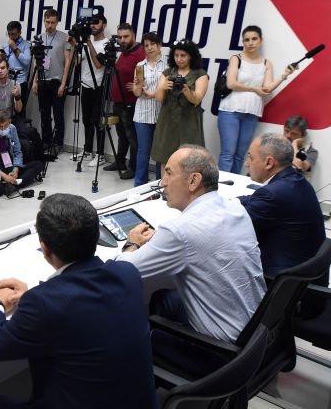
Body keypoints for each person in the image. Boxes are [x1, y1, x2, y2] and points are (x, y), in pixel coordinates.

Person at [0, 193, 157, 409]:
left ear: (45, 248)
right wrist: (40, 294)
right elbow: (78, 300)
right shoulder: (127, 274)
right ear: (96, 237)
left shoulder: (44, 304)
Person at [115, 145, 265, 375]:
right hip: (252, 337)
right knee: (163, 298)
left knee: (123, 335)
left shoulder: (180, 231)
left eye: (169, 173)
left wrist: (132, 243)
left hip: (219, 353)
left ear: (193, 181)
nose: (163, 182)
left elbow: (119, 272)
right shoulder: (234, 207)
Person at [239, 134, 326, 277]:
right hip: (301, 276)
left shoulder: (273, 194)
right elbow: (252, 199)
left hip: (280, 282)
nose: (246, 164)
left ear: (269, 162)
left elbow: (231, 225)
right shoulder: (296, 181)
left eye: (250, 157)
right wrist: (232, 201)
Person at [217, 26, 295, 174]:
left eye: (254, 39)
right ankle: (220, 189)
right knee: (228, 154)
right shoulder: (236, 59)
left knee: (241, 154)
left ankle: (232, 188)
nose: (250, 43)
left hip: (252, 113)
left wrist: (284, 75)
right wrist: (253, 89)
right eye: (246, 40)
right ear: (243, 42)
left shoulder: (266, 63)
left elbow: (267, 88)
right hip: (230, 111)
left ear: (261, 40)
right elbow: (231, 83)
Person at [151, 39, 209, 171]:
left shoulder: (200, 74)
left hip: (189, 123)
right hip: (168, 121)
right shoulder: (168, 72)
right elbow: (159, 98)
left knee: (190, 162)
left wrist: (186, 90)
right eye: (176, 55)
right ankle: (165, 189)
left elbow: (197, 99)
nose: (179, 59)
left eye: (183, 55)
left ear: (191, 56)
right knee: (165, 159)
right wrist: (162, 87)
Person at [103, 23, 145, 179]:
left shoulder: (140, 53)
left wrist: (137, 84)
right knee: (121, 133)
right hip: (118, 100)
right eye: (120, 37)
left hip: (131, 102)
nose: (122, 40)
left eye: (126, 36)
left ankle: (134, 167)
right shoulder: (123, 52)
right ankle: (120, 161)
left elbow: (145, 75)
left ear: (133, 35)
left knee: (132, 136)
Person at [30, 9, 72, 148]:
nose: (50, 25)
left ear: (57, 22)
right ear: (44, 21)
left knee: (58, 113)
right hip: (43, 80)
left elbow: (68, 62)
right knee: (44, 113)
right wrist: (35, 81)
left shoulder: (64, 38)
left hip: (57, 81)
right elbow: (37, 61)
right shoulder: (39, 38)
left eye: (53, 22)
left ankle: (58, 142)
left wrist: (63, 84)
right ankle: (46, 140)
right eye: (47, 22)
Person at [131, 31, 165, 186]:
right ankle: (139, 184)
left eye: (153, 44)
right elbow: (138, 93)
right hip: (143, 113)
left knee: (160, 152)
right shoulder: (140, 66)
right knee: (143, 151)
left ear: (159, 46)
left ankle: (160, 183)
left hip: (162, 113)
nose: (150, 48)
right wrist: (138, 85)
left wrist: (152, 93)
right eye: (146, 45)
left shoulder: (168, 65)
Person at [0, 109, 44, 197]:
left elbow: (17, 151)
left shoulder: (12, 128)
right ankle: (12, 184)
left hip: (9, 163)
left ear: (10, 121)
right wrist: (4, 176)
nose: (3, 129)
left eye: (6, 125)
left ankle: (11, 185)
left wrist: (16, 168)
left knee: (39, 165)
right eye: (0, 126)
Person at [77, 13, 108, 167]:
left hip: (98, 86)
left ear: (104, 25)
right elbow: (78, 61)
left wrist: (89, 44)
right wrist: (75, 45)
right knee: (86, 120)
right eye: (92, 23)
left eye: (96, 22)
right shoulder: (85, 43)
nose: (93, 25)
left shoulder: (106, 44)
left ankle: (101, 155)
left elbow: (98, 65)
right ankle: (88, 151)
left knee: (97, 121)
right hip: (85, 84)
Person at [0, 20, 32, 106]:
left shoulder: (26, 45)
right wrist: (3, 59)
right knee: (7, 107)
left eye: (13, 34)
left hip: (20, 82)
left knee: (20, 109)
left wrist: (14, 48)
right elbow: (4, 64)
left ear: (20, 32)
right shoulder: (5, 45)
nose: (11, 37)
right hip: (7, 80)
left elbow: (27, 62)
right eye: (9, 34)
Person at [283, 115, 318, 180]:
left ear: (303, 135)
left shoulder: (311, 151)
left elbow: (299, 165)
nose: (288, 136)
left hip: (293, 186)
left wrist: (294, 144)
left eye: (294, 133)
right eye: (286, 131)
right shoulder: (277, 144)